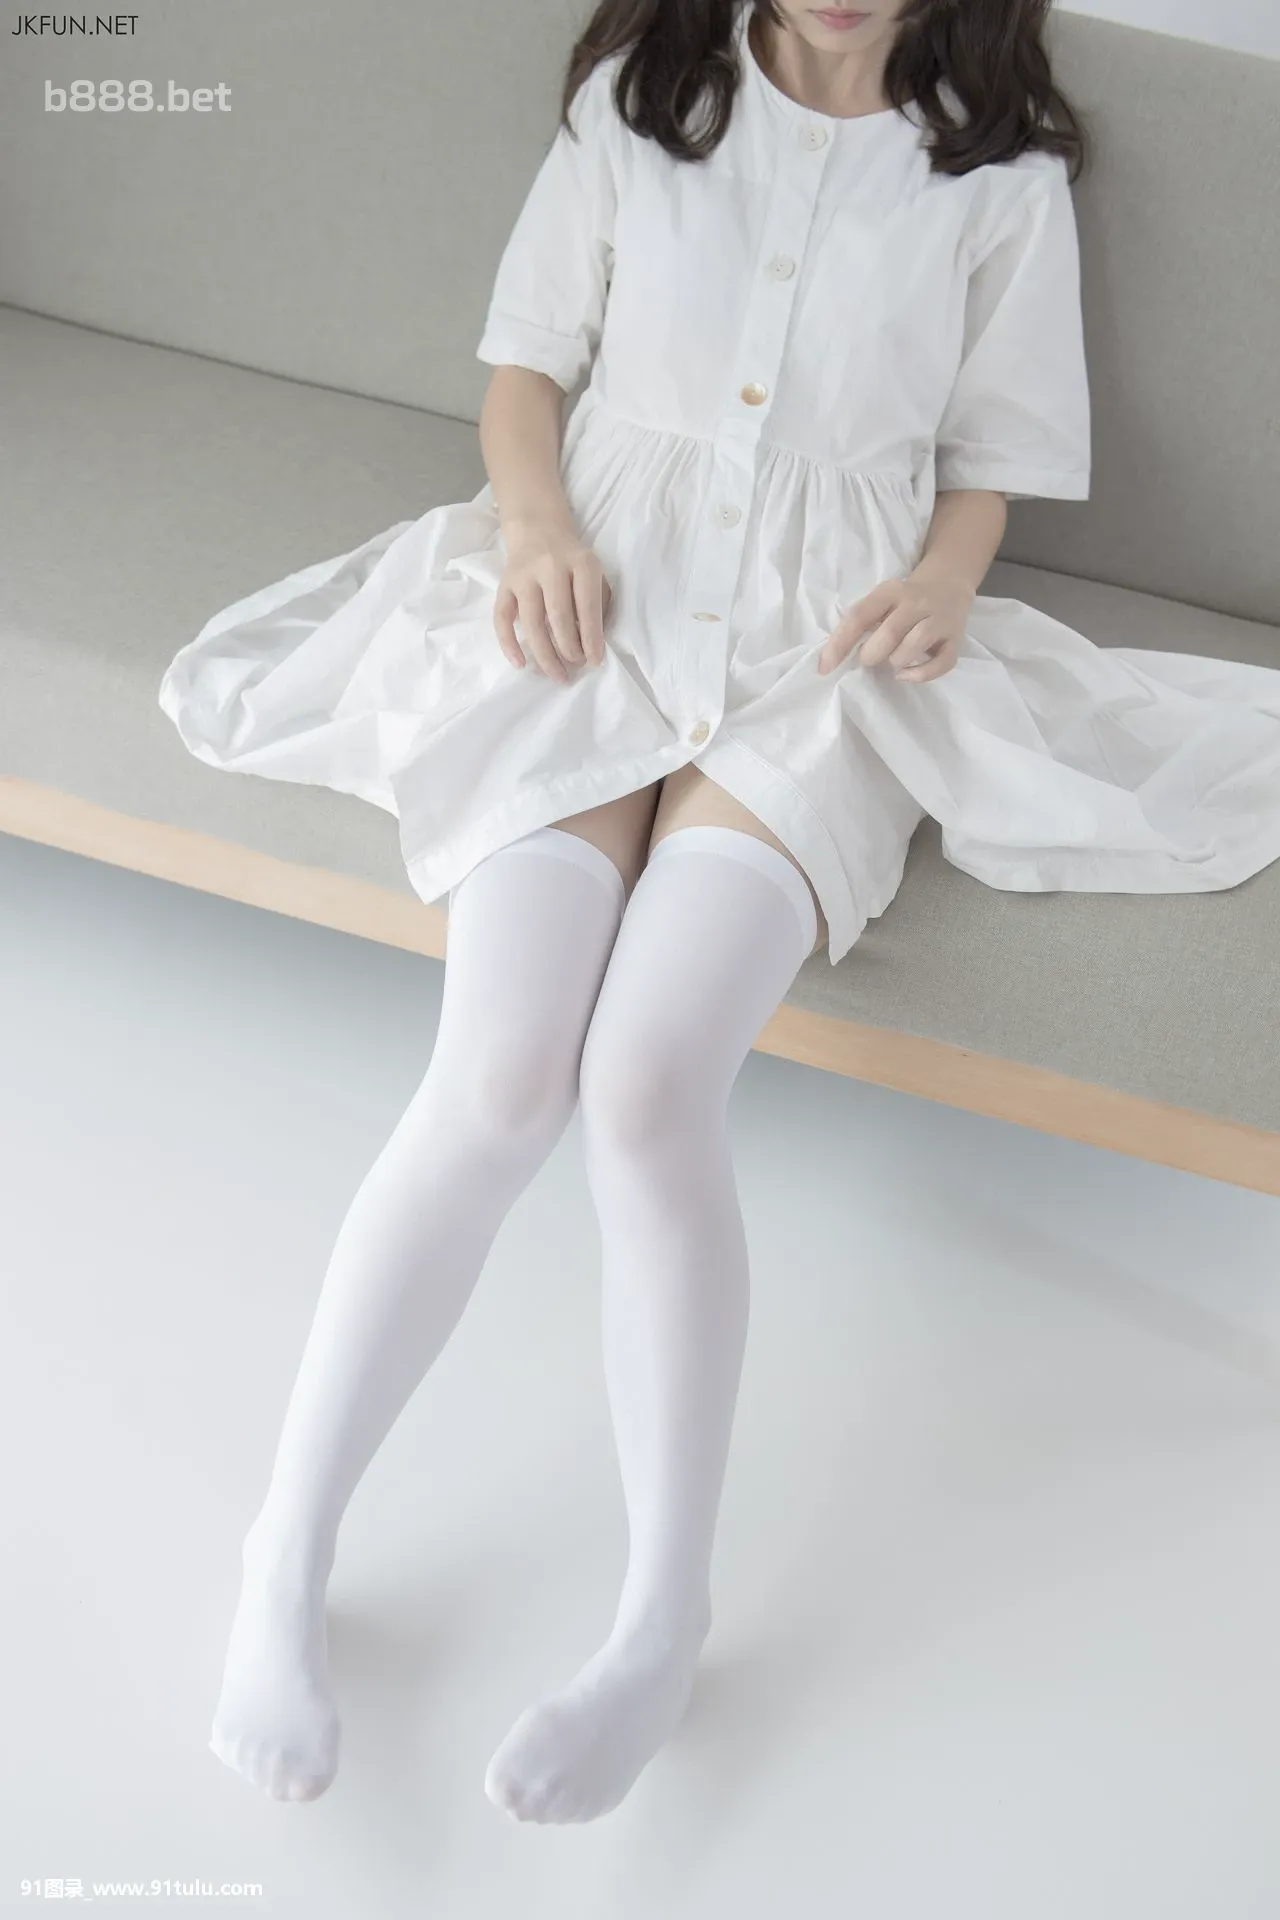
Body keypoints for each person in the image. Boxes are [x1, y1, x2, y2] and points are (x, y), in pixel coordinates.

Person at [158, 0, 1280, 1822]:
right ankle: (284, 1556)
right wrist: (535, 530)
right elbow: (526, 374)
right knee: (499, 1075)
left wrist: (942, 586)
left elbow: (989, 464)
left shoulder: (999, 175)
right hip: (590, 596)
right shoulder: (642, 101)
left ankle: (659, 1619)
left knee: (650, 1082)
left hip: (827, 658)